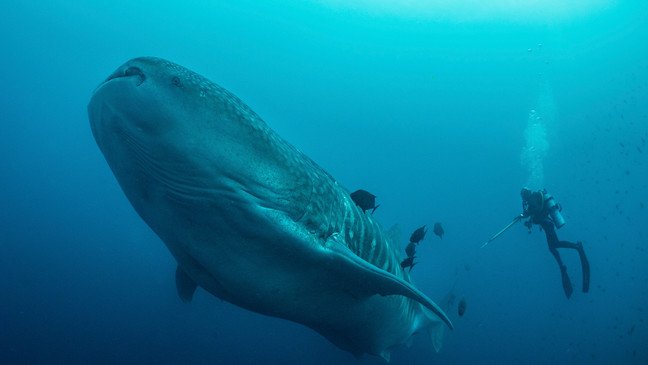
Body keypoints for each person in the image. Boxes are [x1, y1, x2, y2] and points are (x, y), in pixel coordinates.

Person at [520, 187, 590, 299]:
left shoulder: (532, 200)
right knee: (552, 247)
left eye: (523, 196)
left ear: (526, 194)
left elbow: (536, 210)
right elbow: (536, 214)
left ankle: (575, 248)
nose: (523, 198)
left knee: (555, 244)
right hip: (547, 225)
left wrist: (526, 214)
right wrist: (529, 221)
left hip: (547, 224)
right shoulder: (532, 200)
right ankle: (563, 264)